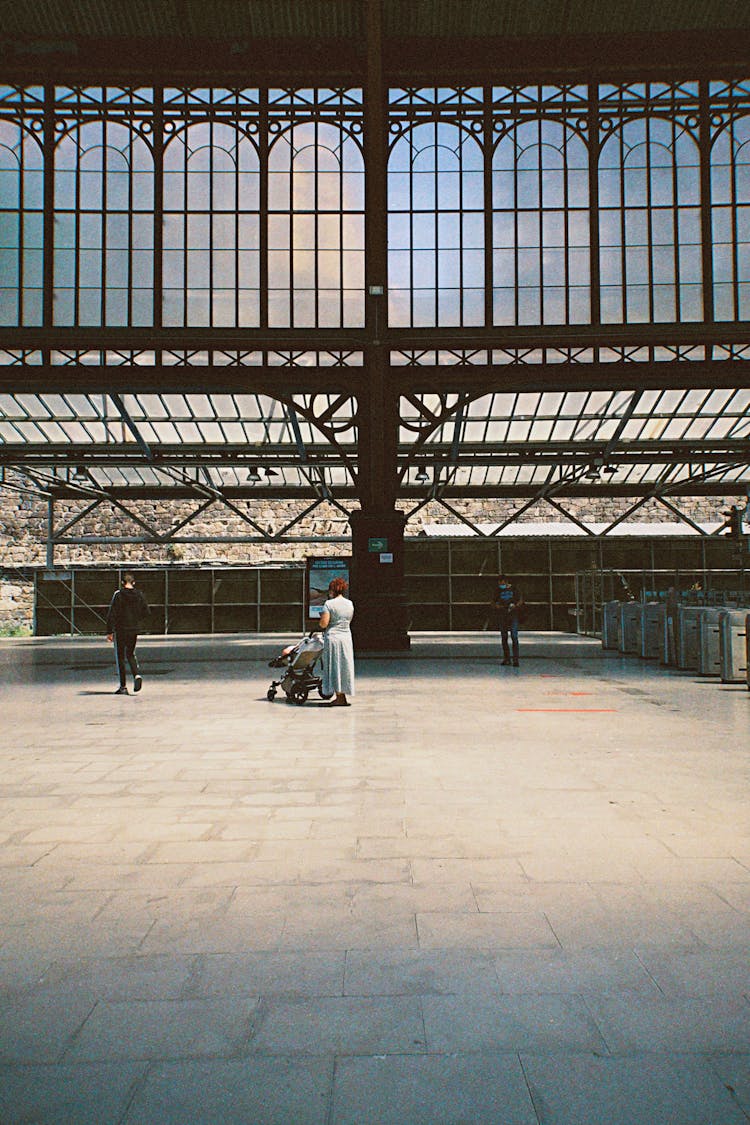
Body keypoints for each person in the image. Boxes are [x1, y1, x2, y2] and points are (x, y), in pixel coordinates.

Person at [106, 572, 149, 695]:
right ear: (134, 583)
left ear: (122, 583)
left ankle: (123, 686)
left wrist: (109, 631)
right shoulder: (139, 595)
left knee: (120, 657)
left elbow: (112, 614)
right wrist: (136, 619)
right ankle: (136, 674)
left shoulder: (118, 595)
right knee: (130, 654)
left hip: (120, 629)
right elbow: (146, 611)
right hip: (133, 629)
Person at [318, 576, 355, 706]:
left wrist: (321, 618)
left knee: (334, 666)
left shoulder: (329, 604)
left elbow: (324, 624)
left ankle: (339, 697)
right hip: (346, 637)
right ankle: (342, 695)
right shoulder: (349, 604)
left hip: (333, 638)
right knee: (344, 665)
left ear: (332, 590)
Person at [493, 573, 523, 667]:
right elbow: (493, 601)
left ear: (506, 582)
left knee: (514, 636)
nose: (500, 585)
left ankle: (515, 659)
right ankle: (507, 658)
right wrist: (497, 606)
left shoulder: (514, 589)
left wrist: (515, 606)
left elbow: (520, 600)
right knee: (504, 637)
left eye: (501, 583)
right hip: (502, 615)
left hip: (513, 615)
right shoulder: (498, 590)